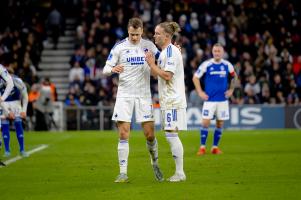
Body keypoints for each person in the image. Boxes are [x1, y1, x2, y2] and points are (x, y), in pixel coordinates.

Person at [103, 18, 163, 183]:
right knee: (123, 133)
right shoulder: (120, 47)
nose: (134, 37)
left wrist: (174, 50)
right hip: (124, 95)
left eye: (137, 34)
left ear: (142, 31)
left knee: (150, 135)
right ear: (127, 31)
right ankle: (123, 173)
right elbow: (105, 68)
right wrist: (113, 69)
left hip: (144, 95)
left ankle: (155, 162)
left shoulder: (149, 46)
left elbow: (163, 56)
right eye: (131, 34)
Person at [145, 21, 187, 182]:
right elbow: (157, 74)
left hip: (173, 100)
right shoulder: (165, 52)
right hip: (168, 100)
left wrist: (151, 64)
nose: (154, 35)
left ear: (167, 36)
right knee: (170, 134)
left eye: (157, 33)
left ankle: (180, 172)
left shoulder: (170, 52)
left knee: (171, 135)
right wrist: (152, 66)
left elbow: (167, 75)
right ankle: (179, 172)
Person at [192, 43, 237, 155]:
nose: (217, 53)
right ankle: (202, 147)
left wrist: (231, 90)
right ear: (212, 52)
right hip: (210, 100)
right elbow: (195, 78)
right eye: (215, 51)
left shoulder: (227, 65)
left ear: (222, 52)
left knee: (220, 124)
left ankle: (215, 147)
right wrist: (200, 92)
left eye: (219, 51)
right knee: (205, 122)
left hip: (222, 100)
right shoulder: (206, 64)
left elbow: (234, 76)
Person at [1, 67, 28, 157]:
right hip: (3, 104)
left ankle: (22, 149)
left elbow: (25, 95)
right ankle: (7, 151)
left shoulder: (18, 81)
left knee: (18, 123)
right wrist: (8, 112)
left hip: (16, 103)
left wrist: (24, 110)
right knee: (5, 124)